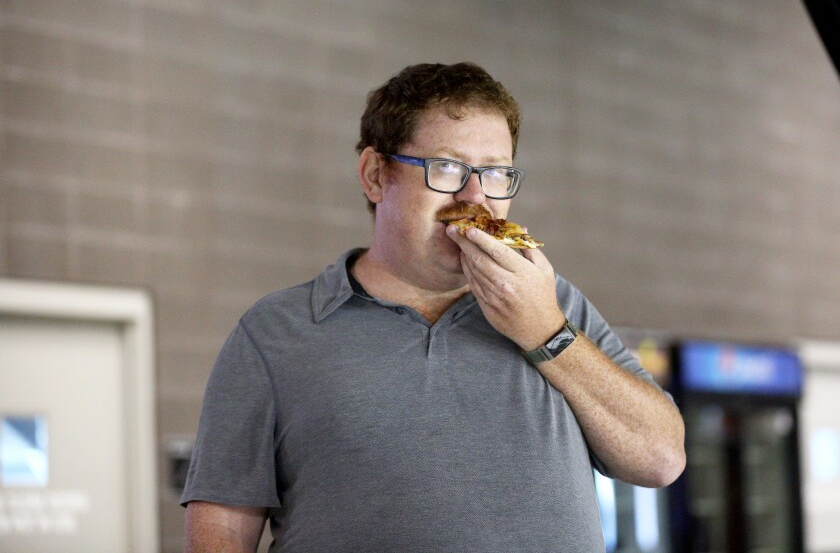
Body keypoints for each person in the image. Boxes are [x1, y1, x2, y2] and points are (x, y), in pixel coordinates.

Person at [181, 62, 686, 552]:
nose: (475, 198)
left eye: (495, 173)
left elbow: (661, 460)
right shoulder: (275, 333)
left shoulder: (550, 300)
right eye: (447, 167)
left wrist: (545, 331)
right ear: (375, 175)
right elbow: (220, 532)